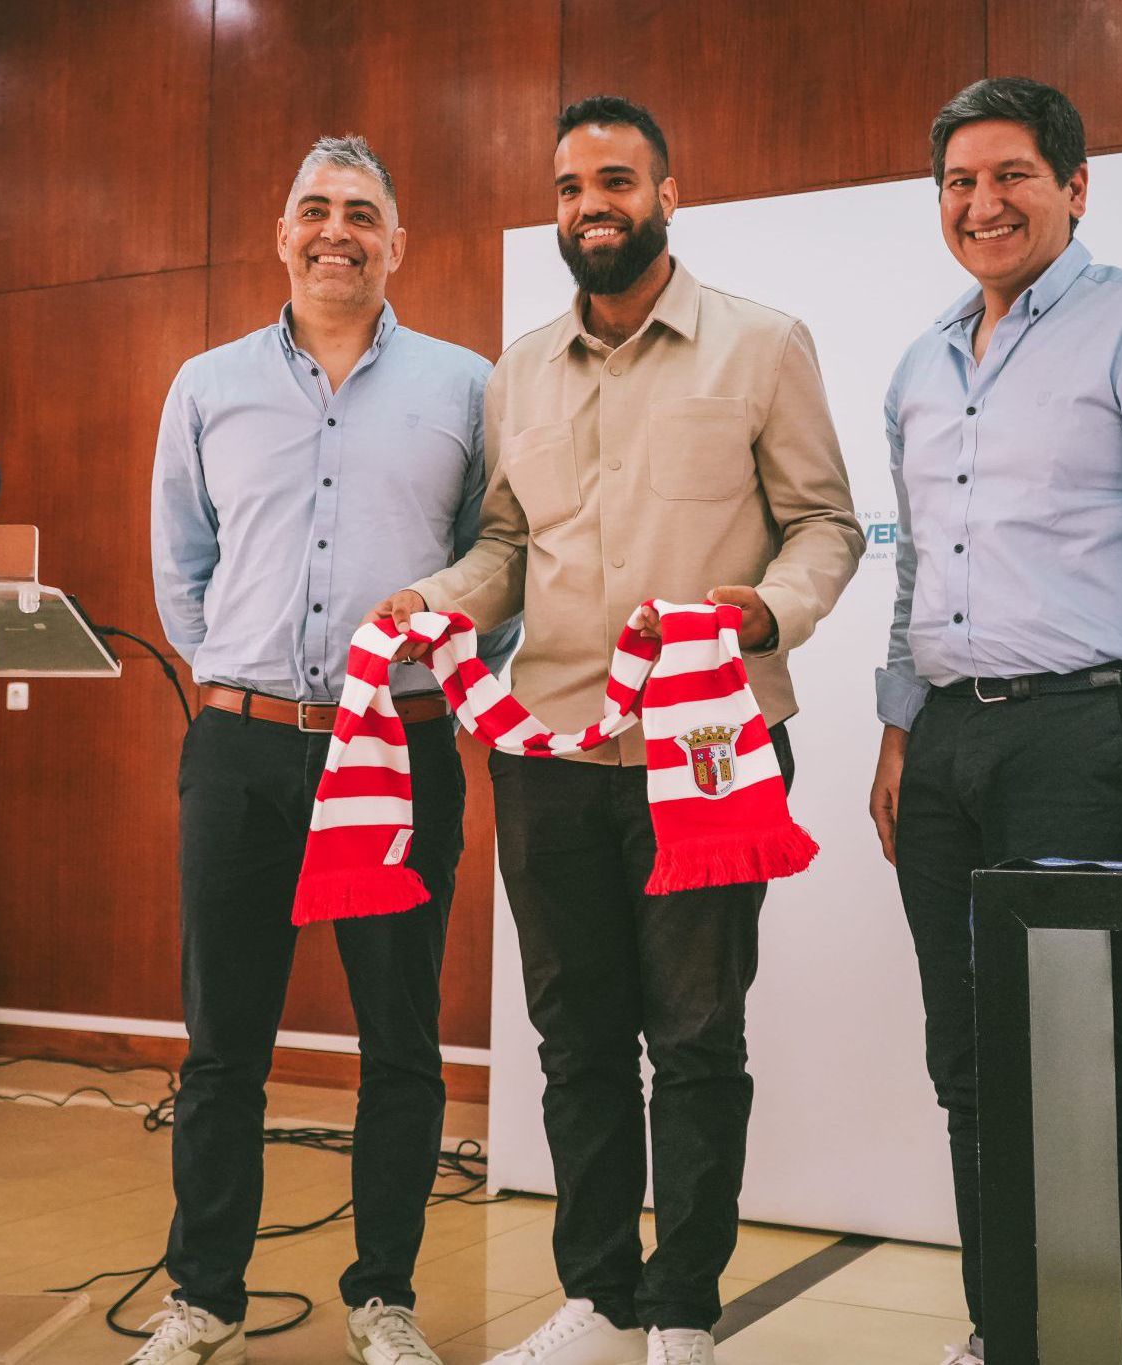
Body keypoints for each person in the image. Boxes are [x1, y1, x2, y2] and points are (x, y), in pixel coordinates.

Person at [372, 95, 862, 1365]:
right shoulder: (519, 368)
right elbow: (505, 546)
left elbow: (825, 523)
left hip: (710, 753)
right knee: (575, 1038)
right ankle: (594, 1298)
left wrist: (768, 609)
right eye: (567, 187)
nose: (590, 204)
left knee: (695, 1039)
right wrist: (432, 605)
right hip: (550, 759)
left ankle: (684, 1312)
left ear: (665, 192)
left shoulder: (761, 345)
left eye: (615, 181)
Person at [868, 77, 1122, 1365]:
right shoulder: (922, 361)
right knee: (969, 1066)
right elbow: (915, 572)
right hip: (944, 746)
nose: (981, 204)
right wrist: (895, 735)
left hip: (1091, 739)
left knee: (1089, 1074)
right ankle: (1007, 1332)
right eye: (958, 183)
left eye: (1010, 177)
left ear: (1073, 187)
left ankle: (1108, 1352)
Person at [142, 134, 511, 1365]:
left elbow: (492, 569)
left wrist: (436, 681)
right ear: (281, 232)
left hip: (399, 750)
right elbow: (181, 573)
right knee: (220, 1046)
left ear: (397, 242)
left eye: (360, 212)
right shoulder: (206, 385)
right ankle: (202, 1296)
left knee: (398, 1042)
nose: (334, 230)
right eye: (313, 209)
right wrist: (247, 679)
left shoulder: (467, 387)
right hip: (241, 751)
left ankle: (384, 1297)